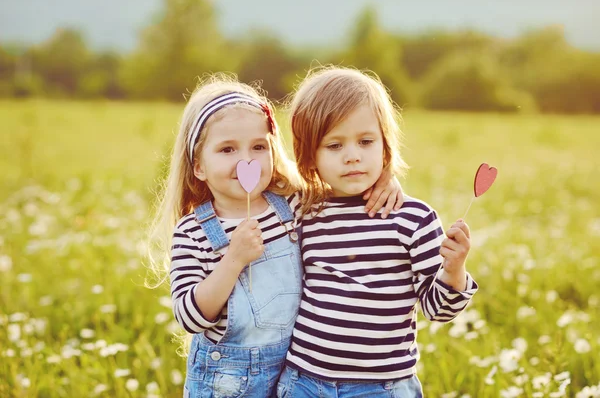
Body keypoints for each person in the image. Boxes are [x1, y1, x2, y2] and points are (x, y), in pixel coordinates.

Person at [147, 74, 403, 397]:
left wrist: (384, 179)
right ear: (198, 165)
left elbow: (345, 188)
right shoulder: (193, 231)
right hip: (227, 381)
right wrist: (233, 259)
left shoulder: (292, 205)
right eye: (227, 149)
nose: (246, 160)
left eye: (258, 147)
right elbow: (189, 316)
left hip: (295, 375)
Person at [277, 67, 479, 398]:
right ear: (310, 157)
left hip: (383, 388)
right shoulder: (302, 210)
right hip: (305, 381)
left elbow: (437, 310)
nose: (353, 155)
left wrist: (454, 270)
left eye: (366, 141)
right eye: (334, 145)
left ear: (385, 145)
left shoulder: (413, 218)